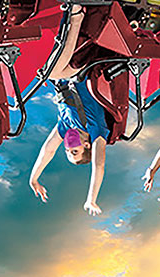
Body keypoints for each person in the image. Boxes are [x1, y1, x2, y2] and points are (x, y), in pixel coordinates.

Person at [27, 5, 110, 216]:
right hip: (82, 68)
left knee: (48, 70)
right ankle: (76, 13)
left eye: (67, 151)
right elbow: (98, 166)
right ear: (85, 145)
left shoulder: (65, 127)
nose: (67, 147)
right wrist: (91, 199)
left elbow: (48, 150)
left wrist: (34, 178)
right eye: (74, 151)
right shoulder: (96, 130)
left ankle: (70, 15)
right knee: (52, 71)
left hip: (64, 70)